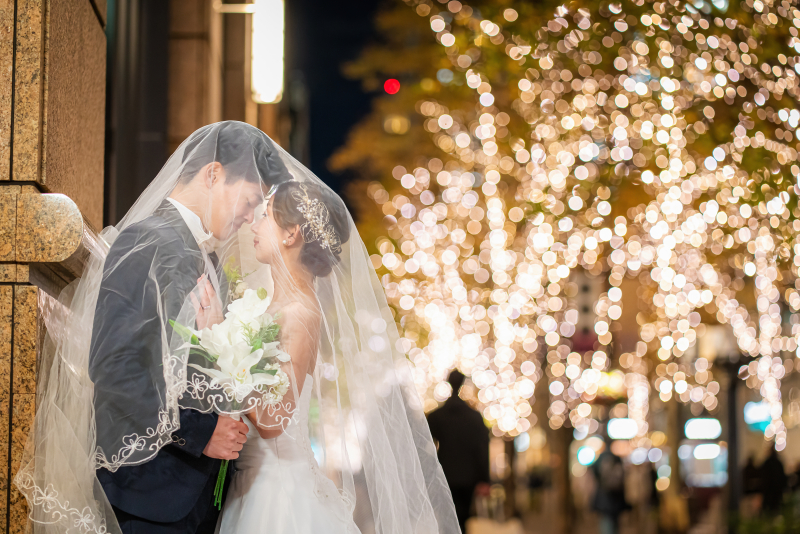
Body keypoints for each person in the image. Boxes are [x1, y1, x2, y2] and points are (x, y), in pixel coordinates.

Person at [15, 122, 461, 534]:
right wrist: (200, 432)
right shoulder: (146, 241)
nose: (251, 217)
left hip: (213, 497)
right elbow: (117, 365)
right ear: (214, 175)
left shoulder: (215, 262)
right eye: (251, 202)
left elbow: (213, 379)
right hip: (153, 494)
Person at [427, 369, 491, 533]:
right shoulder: (474, 418)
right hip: (469, 478)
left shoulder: (437, 416)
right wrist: (484, 479)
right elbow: (482, 449)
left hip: (445, 475)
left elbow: (425, 447)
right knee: (463, 519)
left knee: (446, 519)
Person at [591, 437, 628, 534]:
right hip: (617, 498)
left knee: (606, 522)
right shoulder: (617, 458)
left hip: (604, 496)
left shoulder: (600, 458)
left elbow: (594, 472)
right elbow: (624, 475)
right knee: (615, 522)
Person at [760, 448, 787, 514]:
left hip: (769, 489)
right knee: (776, 507)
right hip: (776, 489)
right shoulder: (778, 463)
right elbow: (782, 477)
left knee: (768, 508)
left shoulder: (767, 463)